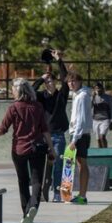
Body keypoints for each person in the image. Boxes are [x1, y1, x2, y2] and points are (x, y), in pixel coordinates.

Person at [0, 78, 53, 223]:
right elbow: (45, 130)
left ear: (18, 90)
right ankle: (33, 207)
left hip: (19, 149)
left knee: (23, 181)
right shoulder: (38, 106)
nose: (12, 92)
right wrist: (51, 148)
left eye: (13, 89)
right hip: (38, 147)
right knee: (37, 181)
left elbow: (2, 130)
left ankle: (26, 211)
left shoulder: (13, 108)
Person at [33, 53, 69, 202]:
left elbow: (65, 78)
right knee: (40, 166)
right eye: (47, 82)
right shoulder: (41, 97)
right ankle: (40, 192)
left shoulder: (61, 96)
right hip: (43, 136)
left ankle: (57, 193)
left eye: (51, 81)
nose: (50, 83)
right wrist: (41, 78)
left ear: (55, 82)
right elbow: (30, 90)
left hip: (58, 136)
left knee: (58, 165)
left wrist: (59, 60)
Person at [65, 71, 93, 204]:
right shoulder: (78, 95)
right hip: (80, 134)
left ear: (80, 82)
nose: (71, 83)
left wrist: (74, 140)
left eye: (74, 81)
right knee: (81, 164)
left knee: (82, 164)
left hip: (79, 135)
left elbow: (81, 120)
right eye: (70, 81)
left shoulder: (81, 96)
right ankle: (82, 195)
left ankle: (82, 196)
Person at [91, 82, 112, 148]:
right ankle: (100, 153)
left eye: (99, 88)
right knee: (98, 139)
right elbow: (89, 107)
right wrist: (92, 97)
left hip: (105, 120)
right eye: (96, 88)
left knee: (102, 136)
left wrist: (111, 121)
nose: (98, 90)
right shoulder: (92, 97)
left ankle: (105, 152)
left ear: (102, 89)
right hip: (95, 120)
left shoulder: (108, 98)